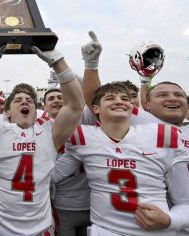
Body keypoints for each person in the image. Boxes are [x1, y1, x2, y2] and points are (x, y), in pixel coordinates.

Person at [0, 45, 84, 236]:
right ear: (6, 111)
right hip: (1, 230)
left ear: (37, 109)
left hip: (41, 229)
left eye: (29, 100)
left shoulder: (49, 131)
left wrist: (57, 61)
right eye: (17, 100)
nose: (25, 102)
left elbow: (75, 106)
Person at [53, 82, 189, 236]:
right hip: (105, 231)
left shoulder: (163, 135)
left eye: (125, 99)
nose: (119, 101)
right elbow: (52, 175)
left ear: (132, 108)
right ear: (95, 108)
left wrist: (170, 220)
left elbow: (185, 202)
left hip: (155, 232)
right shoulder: (83, 137)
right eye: (110, 98)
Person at [43, 88, 91, 236]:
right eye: (51, 99)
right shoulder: (39, 129)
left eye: (60, 97)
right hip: (62, 205)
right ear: (44, 106)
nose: (56, 100)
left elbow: (91, 96)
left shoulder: (85, 122)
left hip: (91, 203)